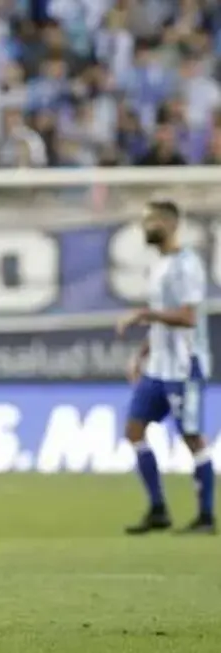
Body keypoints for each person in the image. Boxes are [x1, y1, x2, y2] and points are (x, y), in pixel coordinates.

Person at [116, 200, 215, 535]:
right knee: (134, 430)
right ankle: (158, 509)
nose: (145, 228)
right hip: (158, 366)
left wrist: (142, 315)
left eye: (151, 222)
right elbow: (164, 316)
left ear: (169, 224)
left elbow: (187, 317)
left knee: (191, 438)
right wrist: (143, 352)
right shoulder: (159, 264)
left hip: (185, 366)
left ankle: (205, 516)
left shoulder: (187, 265)